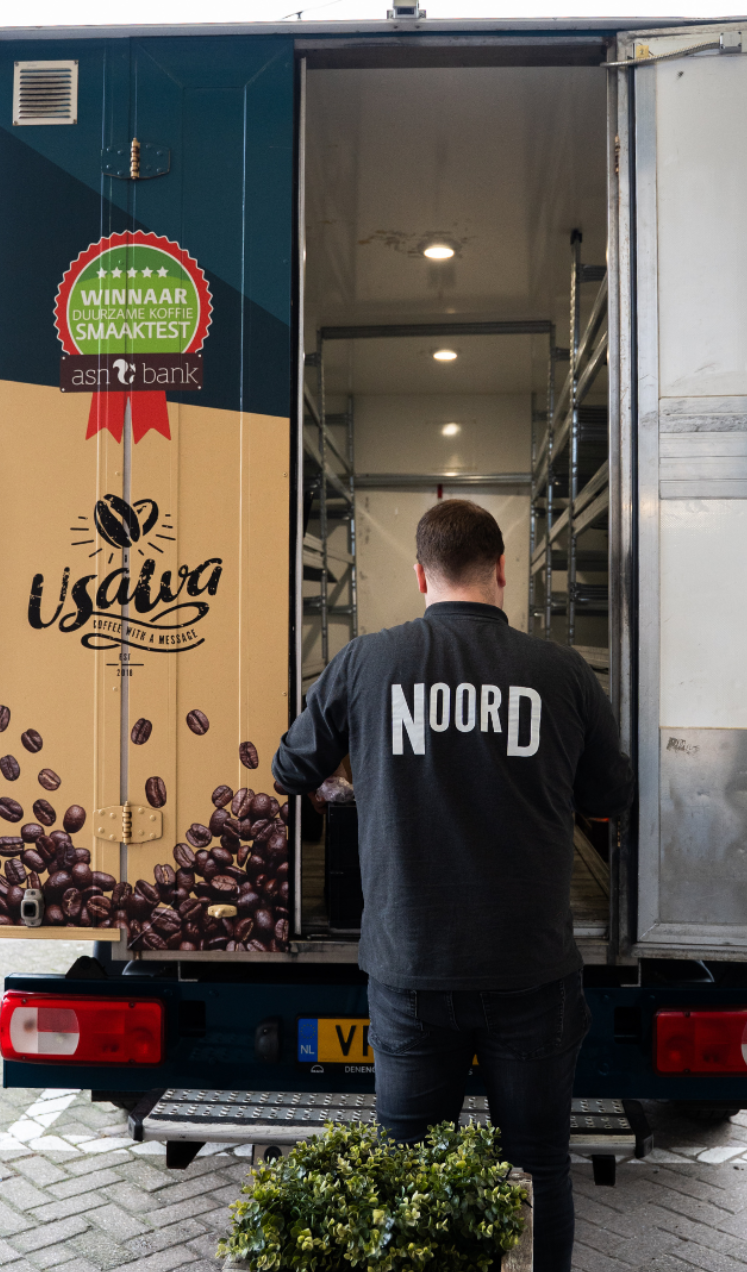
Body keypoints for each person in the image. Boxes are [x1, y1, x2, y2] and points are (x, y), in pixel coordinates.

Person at [272, 499, 633, 1272]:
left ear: (419, 575)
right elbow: (611, 795)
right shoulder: (561, 673)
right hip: (531, 971)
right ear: (501, 569)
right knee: (538, 1161)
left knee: (408, 1165)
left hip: (412, 971)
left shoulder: (366, 662)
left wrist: (360, 766)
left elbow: (290, 768)